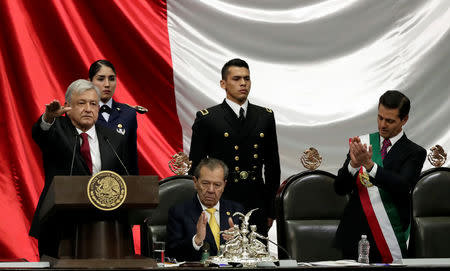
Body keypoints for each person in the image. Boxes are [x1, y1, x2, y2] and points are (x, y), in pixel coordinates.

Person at [29, 79, 131, 258]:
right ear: (67, 106)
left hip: (103, 227)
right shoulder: (56, 129)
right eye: (81, 103)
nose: (88, 109)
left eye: (93, 104)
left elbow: (123, 180)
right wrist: (49, 118)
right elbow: (40, 133)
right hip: (59, 226)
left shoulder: (114, 139)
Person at [188, 58, 281, 235]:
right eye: (236, 79)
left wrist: (271, 208)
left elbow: (272, 167)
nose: (243, 83)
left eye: (247, 78)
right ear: (223, 83)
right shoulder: (208, 118)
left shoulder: (265, 116)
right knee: (224, 256)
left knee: (258, 256)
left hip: (256, 200)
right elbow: (196, 168)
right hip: (222, 199)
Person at [334, 90, 426, 263]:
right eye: (380, 117)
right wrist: (353, 165)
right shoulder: (363, 144)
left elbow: (402, 186)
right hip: (354, 235)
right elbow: (339, 189)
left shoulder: (414, 152)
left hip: (389, 235)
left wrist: (370, 166)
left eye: (390, 120)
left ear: (404, 119)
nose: (382, 124)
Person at [167, 158, 244, 261]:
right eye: (205, 183)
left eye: (217, 185)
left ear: (224, 185)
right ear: (195, 182)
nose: (211, 190)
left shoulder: (236, 210)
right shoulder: (179, 212)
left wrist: (239, 242)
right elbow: (172, 253)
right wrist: (197, 240)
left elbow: (248, 252)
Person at [88, 60, 139, 174]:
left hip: (121, 185)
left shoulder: (128, 113)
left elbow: (131, 157)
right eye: (101, 79)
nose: (107, 84)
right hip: (89, 184)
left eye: (111, 78)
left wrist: (136, 187)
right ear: (90, 82)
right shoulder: (82, 112)